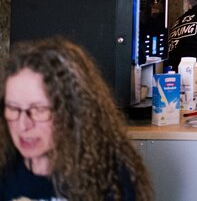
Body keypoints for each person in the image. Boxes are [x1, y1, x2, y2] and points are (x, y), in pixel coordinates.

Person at [0, 37, 152, 200]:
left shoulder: (108, 177)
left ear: (71, 112)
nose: (23, 126)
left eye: (38, 110)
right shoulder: (5, 167)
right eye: (13, 107)